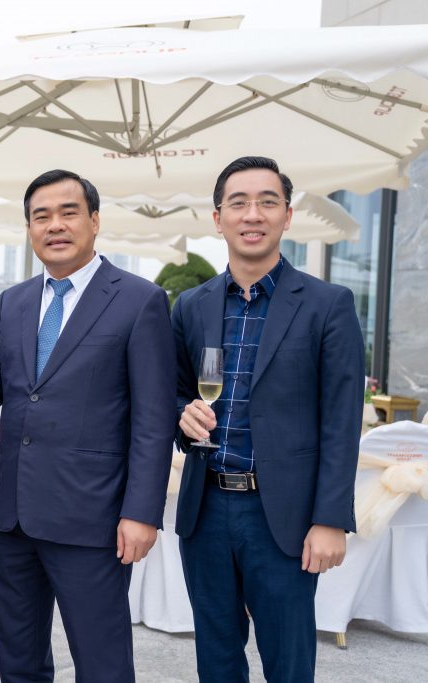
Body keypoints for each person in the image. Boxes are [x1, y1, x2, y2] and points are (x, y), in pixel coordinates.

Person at [0, 169, 176, 682]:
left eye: (69, 213)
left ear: (94, 221)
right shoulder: (14, 300)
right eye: (41, 216)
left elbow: (154, 419)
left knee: (102, 664)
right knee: (19, 661)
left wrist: (142, 513)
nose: (55, 225)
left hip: (93, 517)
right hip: (15, 513)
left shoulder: (140, 300)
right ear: (29, 228)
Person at [172, 156, 364, 682]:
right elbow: (173, 394)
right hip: (206, 510)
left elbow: (342, 422)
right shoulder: (190, 306)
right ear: (218, 219)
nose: (252, 214)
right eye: (238, 203)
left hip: (284, 516)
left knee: (289, 663)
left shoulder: (328, 304)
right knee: (216, 659)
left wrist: (330, 519)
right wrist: (181, 415)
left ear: (287, 215)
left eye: (267, 202)